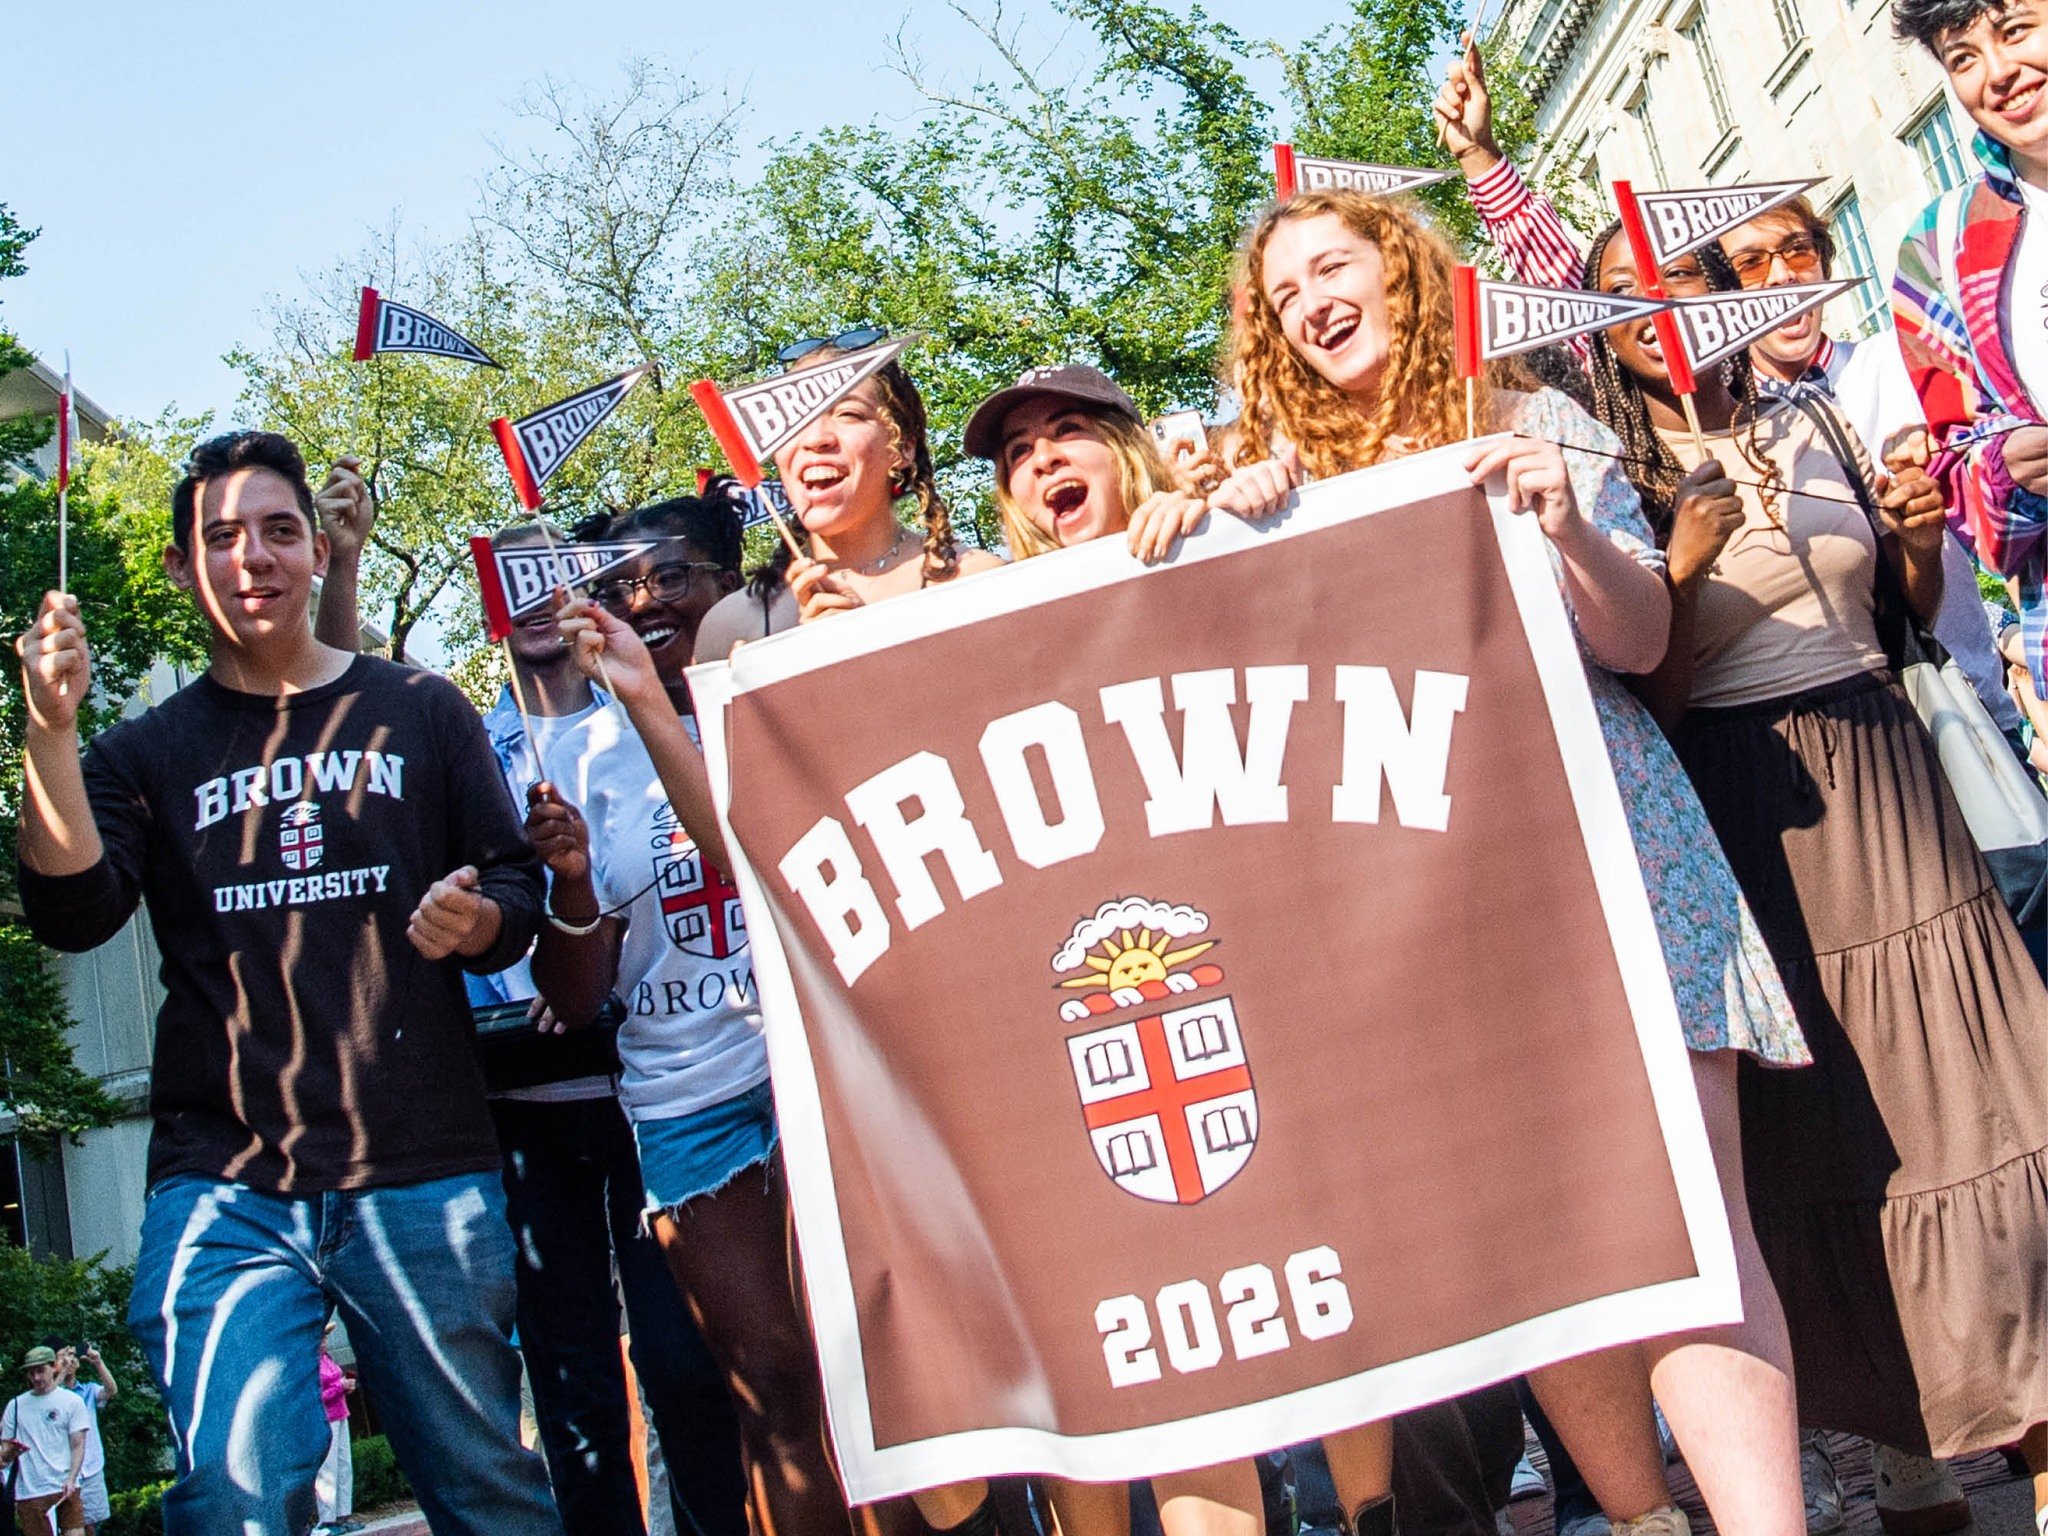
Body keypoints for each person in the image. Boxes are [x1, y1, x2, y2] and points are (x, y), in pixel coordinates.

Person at [1219, 186, 1820, 1536]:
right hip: (1424, 891)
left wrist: (1563, 524)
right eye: (1281, 295)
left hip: (1610, 847)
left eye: (1332, 267)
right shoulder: (1270, 487)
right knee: (1539, 1238)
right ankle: (1648, 1518)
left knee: (1692, 1223)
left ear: (1406, 276)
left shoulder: (1530, 421)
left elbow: (1640, 639)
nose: (1310, 302)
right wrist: (1232, 515)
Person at [1557, 178, 2048, 1529]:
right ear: (1609, 330)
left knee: (1997, 1099)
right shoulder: (1612, 478)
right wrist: (1683, 568)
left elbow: (1904, 616)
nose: (1669, 313)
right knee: (1833, 1144)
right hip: (1744, 805)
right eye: (1633, 296)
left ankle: (2035, 1416)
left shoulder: (1815, 412)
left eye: (1692, 283)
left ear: (1736, 299)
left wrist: (1914, 547)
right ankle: (1900, 1441)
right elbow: (1640, 696)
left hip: (1893, 781)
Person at [964, 360, 1528, 1536]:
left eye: (1066, 434)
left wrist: (1231, 516)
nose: (1040, 462)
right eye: (1017, 455)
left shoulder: (1211, 534)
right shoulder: (975, 630)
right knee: (1182, 1342)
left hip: (1275, 971)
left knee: (1342, 1271)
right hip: (1124, 1011)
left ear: (1124, 453)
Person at [11, 430, 561, 1536]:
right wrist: (49, 729)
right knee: (234, 1497)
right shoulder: (140, 754)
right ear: (181, 567)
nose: (250, 557)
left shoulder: (420, 709)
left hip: (420, 1167)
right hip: (224, 1180)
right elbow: (73, 914)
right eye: (221, 537)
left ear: (317, 550)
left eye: (276, 531)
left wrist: (481, 917)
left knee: (484, 1490)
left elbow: (516, 896)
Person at [318, 513, 751, 1536]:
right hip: (518, 1101)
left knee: (681, 1356)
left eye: (555, 579)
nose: (536, 607)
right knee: (568, 1373)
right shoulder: (465, 734)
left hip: (651, 1085)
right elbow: (345, 716)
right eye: (510, 586)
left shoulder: (641, 715)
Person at [0, 1347, 88, 1536]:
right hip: (30, 1491)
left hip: (66, 1486)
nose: (36, 1377)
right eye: (31, 1372)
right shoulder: (15, 1406)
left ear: (54, 1367)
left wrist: (72, 1478)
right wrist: (9, 1452)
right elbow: (4, 1451)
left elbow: (78, 1444)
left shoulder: (72, 1401)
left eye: (41, 1370)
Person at [45, 1343, 113, 1536]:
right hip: (62, 1471)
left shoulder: (88, 1390)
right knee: (69, 1526)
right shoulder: (50, 1394)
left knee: (91, 1526)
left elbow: (111, 1390)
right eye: (64, 1356)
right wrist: (60, 1375)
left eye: (73, 1355)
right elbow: (45, 1403)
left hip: (91, 1467)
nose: (70, 1360)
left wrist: (98, 1362)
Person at [316, 1326, 359, 1535]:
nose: (324, 1341)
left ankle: (343, 1514)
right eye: (321, 1338)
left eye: (325, 1338)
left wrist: (345, 1387)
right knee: (328, 1467)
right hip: (326, 1418)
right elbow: (317, 1396)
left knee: (344, 1464)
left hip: (341, 1413)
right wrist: (339, 1387)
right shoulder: (310, 1364)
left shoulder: (328, 1359)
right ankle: (327, 1518)